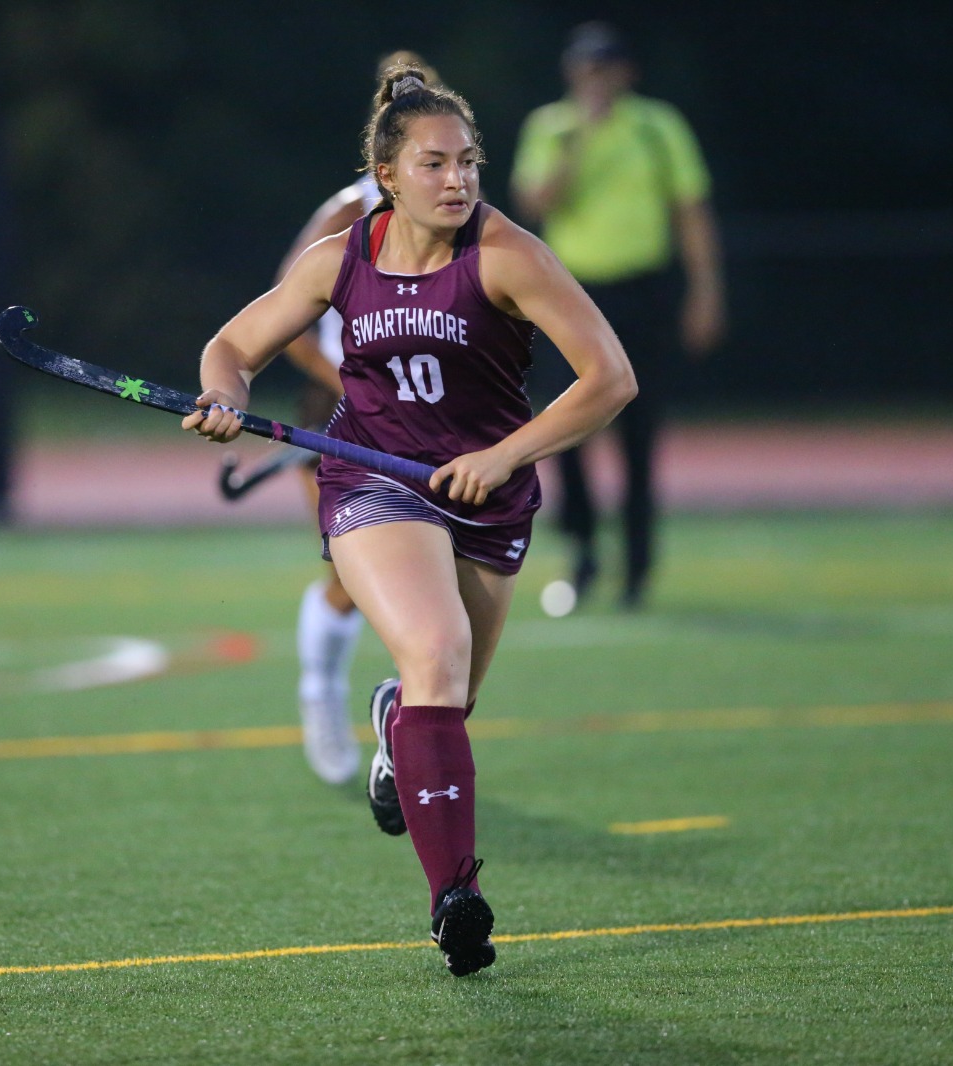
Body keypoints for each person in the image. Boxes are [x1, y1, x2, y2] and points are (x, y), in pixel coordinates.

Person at [183, 64, 636, 976]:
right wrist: (224, 394)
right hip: (374, 479)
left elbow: (610, 379)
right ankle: (454, 902)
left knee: (448, 697)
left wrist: (504, 456)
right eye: (435, 164)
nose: (458, 180)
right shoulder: (341, 257)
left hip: (488, 496)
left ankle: (397, 720)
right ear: (387, 176)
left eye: (468, 161)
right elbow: (233, 345)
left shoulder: (507, 254)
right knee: (436, 649)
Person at [511, 20, 726, 610]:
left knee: (639, 428)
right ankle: (582, 553)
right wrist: (578, 140)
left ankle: (637, 568)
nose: (596, 79)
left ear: (626, 72)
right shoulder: (551, 128)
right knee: (562, 428)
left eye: (605, 67)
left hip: (642, 291)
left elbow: (690, 211)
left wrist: (705, 292)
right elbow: (535, 204)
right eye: (587, 68)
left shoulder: (657, 126)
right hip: (570, 296)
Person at [276, 51, 440, 788]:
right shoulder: (347, 215)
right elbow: (284, 323)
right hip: (342, 407)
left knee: (446, 585)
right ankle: (322, 693)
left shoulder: (460, 214)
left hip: (433, 411)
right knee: (350, 572)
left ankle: (404, 728)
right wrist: (353, 384)